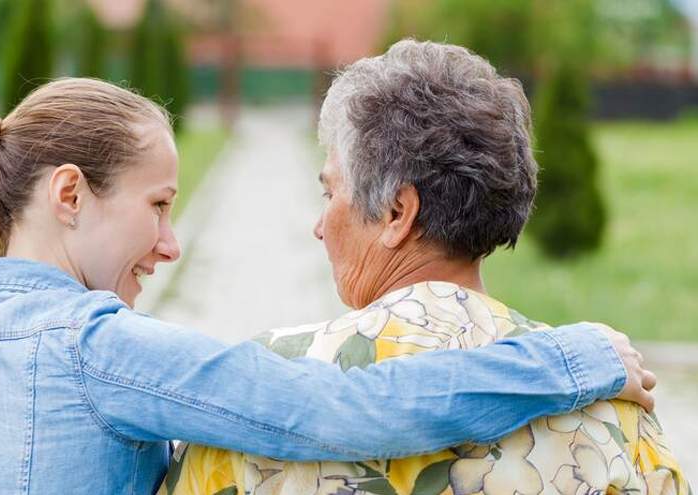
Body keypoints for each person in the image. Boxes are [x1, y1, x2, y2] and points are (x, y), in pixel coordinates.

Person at [0, 78, 654, 495]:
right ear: (69, 194)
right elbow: (344, 411)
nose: (169, 243)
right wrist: (572, 358)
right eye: (158, 206)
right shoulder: (94, 347)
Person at [160, 40, 688, 495]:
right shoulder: (615, 406)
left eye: (329, 192)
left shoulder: (262, 393)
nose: (319, 226)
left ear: (396, 212)